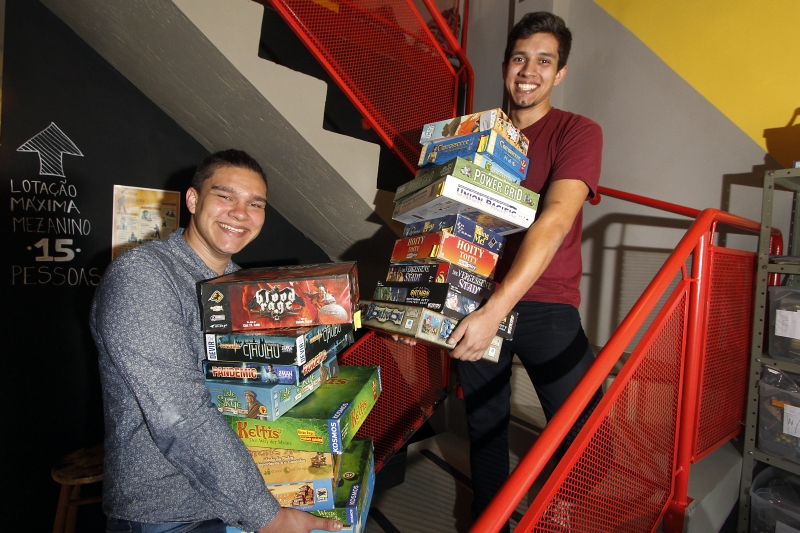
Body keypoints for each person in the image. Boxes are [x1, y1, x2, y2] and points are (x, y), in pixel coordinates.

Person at [91, 149, 342, 533]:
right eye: (225, 196)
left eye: (254, 203)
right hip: (171, 513)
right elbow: (179, 415)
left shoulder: (244, 289)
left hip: (248, 494)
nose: (240, 213)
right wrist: (269, 518)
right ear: (193, 200)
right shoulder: (144, 275)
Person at [445, 12, 604, 531]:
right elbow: (444, 222)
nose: (528, 71)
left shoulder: (578, 132)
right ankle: (489, 523)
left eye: (544, 61)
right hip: (472, 298)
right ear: (506, 66)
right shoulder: (478, 134)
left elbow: (556, 220)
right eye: (519, 58)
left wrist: (497, 309)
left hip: (543, 305)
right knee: (486, 432)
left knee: (588, 432)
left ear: (560, 74)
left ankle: (557, 512)